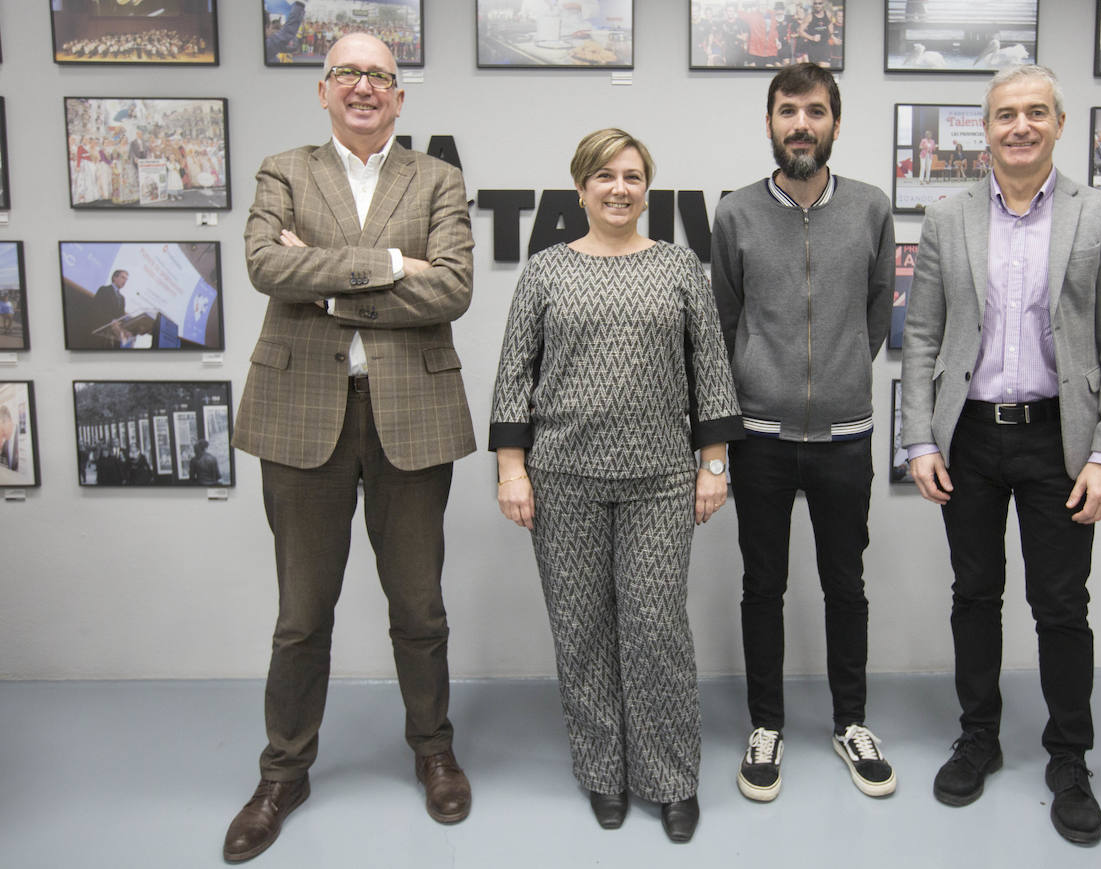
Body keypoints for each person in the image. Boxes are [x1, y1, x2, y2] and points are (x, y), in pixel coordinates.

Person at [223, 33, 476, 863]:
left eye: (380, 77)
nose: (364, 87)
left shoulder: (436, 177)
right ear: (323, 91)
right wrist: (391, 264)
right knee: (301, 617)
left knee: (420, 607)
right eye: (348, 74)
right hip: (301, 413)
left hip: (413, 413)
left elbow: (453, 287)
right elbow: (265, 264)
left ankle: (432, 749)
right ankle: (282, 773)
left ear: (400, 99)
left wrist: (328, 286)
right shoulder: (283, 170)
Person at [900, 64, 1101, 845]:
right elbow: (923, 338)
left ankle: (1069, 760)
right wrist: (918, 436)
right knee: (974, 595)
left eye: (1036, 112)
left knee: (1061, 605)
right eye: (1006, 114)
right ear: (988, 127)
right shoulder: (947, 218)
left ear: (1059, 124)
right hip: (969, 435)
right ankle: (978, 737)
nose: (1020, 126)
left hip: (1059, 438)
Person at [491, 129, 742, 843]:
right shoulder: (544, 271)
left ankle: (670, 777)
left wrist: (713, 463)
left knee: (656, 629)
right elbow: (514, 373)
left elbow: (710, 371)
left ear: (647, 187)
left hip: (660, 478)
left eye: (633, 176)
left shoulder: (678, 268)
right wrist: (513, 469)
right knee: (582, 631)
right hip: (562, 479)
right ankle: (603, 770)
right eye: (605, 176)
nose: (620, 188)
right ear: (580, 188)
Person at [712, 63, 896, 804]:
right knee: (763, 584)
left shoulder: (872, 209)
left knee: (845, 585)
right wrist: (753, 390)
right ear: (769, 123)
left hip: (846, 437)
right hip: (759, 436)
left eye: (814, 111)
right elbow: (723, 321)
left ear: (834, 125)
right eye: (787, 110)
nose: (800, 124)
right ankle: (767, 725)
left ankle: (851, 721)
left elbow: (878, 312)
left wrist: (844, 375)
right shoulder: (735, 215)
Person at [0, 405, 17, 471]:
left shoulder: (20, 438)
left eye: (1, 427)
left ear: (8, 421)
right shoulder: (4, 446)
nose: (1, 432)